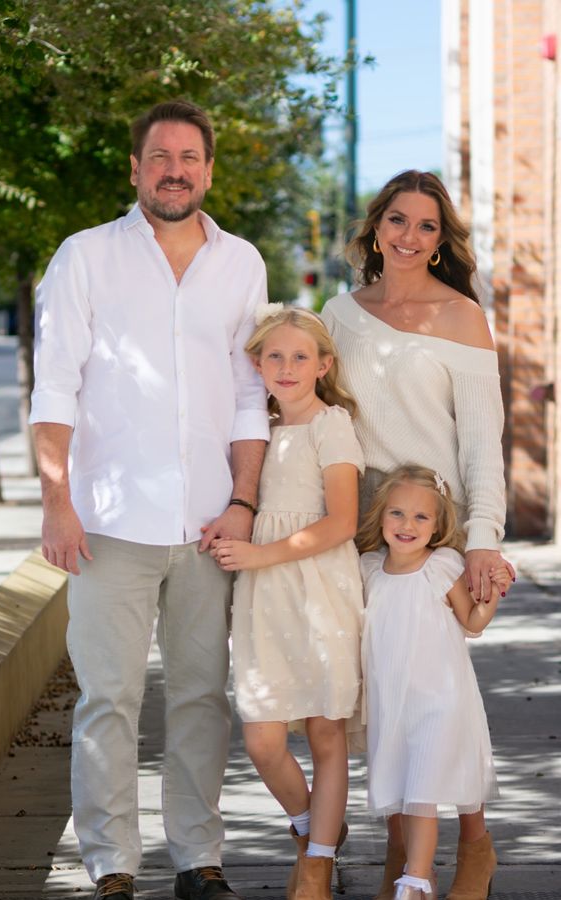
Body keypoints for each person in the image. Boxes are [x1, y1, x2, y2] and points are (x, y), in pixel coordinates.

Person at [29, 100, 270, 900]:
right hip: (108, 521)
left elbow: (246, 392)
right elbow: (54, 383)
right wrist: (56, 501)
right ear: (135, 169)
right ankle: (111, 865)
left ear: (208, 169)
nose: (175, 169)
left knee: (204, 695)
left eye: (190, 157)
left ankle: (198, 858)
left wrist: (243, 500)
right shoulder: (85, 256)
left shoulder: (241, 263)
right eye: (160, 156)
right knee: (109, 698)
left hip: (207, 523)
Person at [321, 169, 515, 900]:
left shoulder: (463, 316)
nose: (410, 236)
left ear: (441, 240)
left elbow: (479, 444)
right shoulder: (339, 314)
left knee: (438, 694)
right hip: (360, 528)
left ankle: (471, 844)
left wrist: (485, 540)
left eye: (427, 225)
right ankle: (404, 857)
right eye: (397, 220)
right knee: (377, 697)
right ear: (375, 227)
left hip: (434, 531)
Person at [210, 305, 365, 900]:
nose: (287, 366)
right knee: (263, 741)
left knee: (326, 733)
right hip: (262, 599)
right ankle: (311, 828)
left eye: (301, 356)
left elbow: (342, 522)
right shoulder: (257, 428)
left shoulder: (333, 425)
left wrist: (260, 555)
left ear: (324, 365)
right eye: (274, 355)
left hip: (320, 589)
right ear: (256, 363)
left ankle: (318, 867)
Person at [357, 466, 511, 900]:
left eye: (421, 517)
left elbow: (472, 623)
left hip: (439, 698)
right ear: (381, 516)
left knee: (421, 791)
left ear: (439, 524)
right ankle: (416, 876)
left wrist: (494, 589)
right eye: (398, 514)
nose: (407, 525)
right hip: (392, 703)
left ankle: (416, 880)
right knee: (406, 792)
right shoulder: (368, 568)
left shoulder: (442, 565)